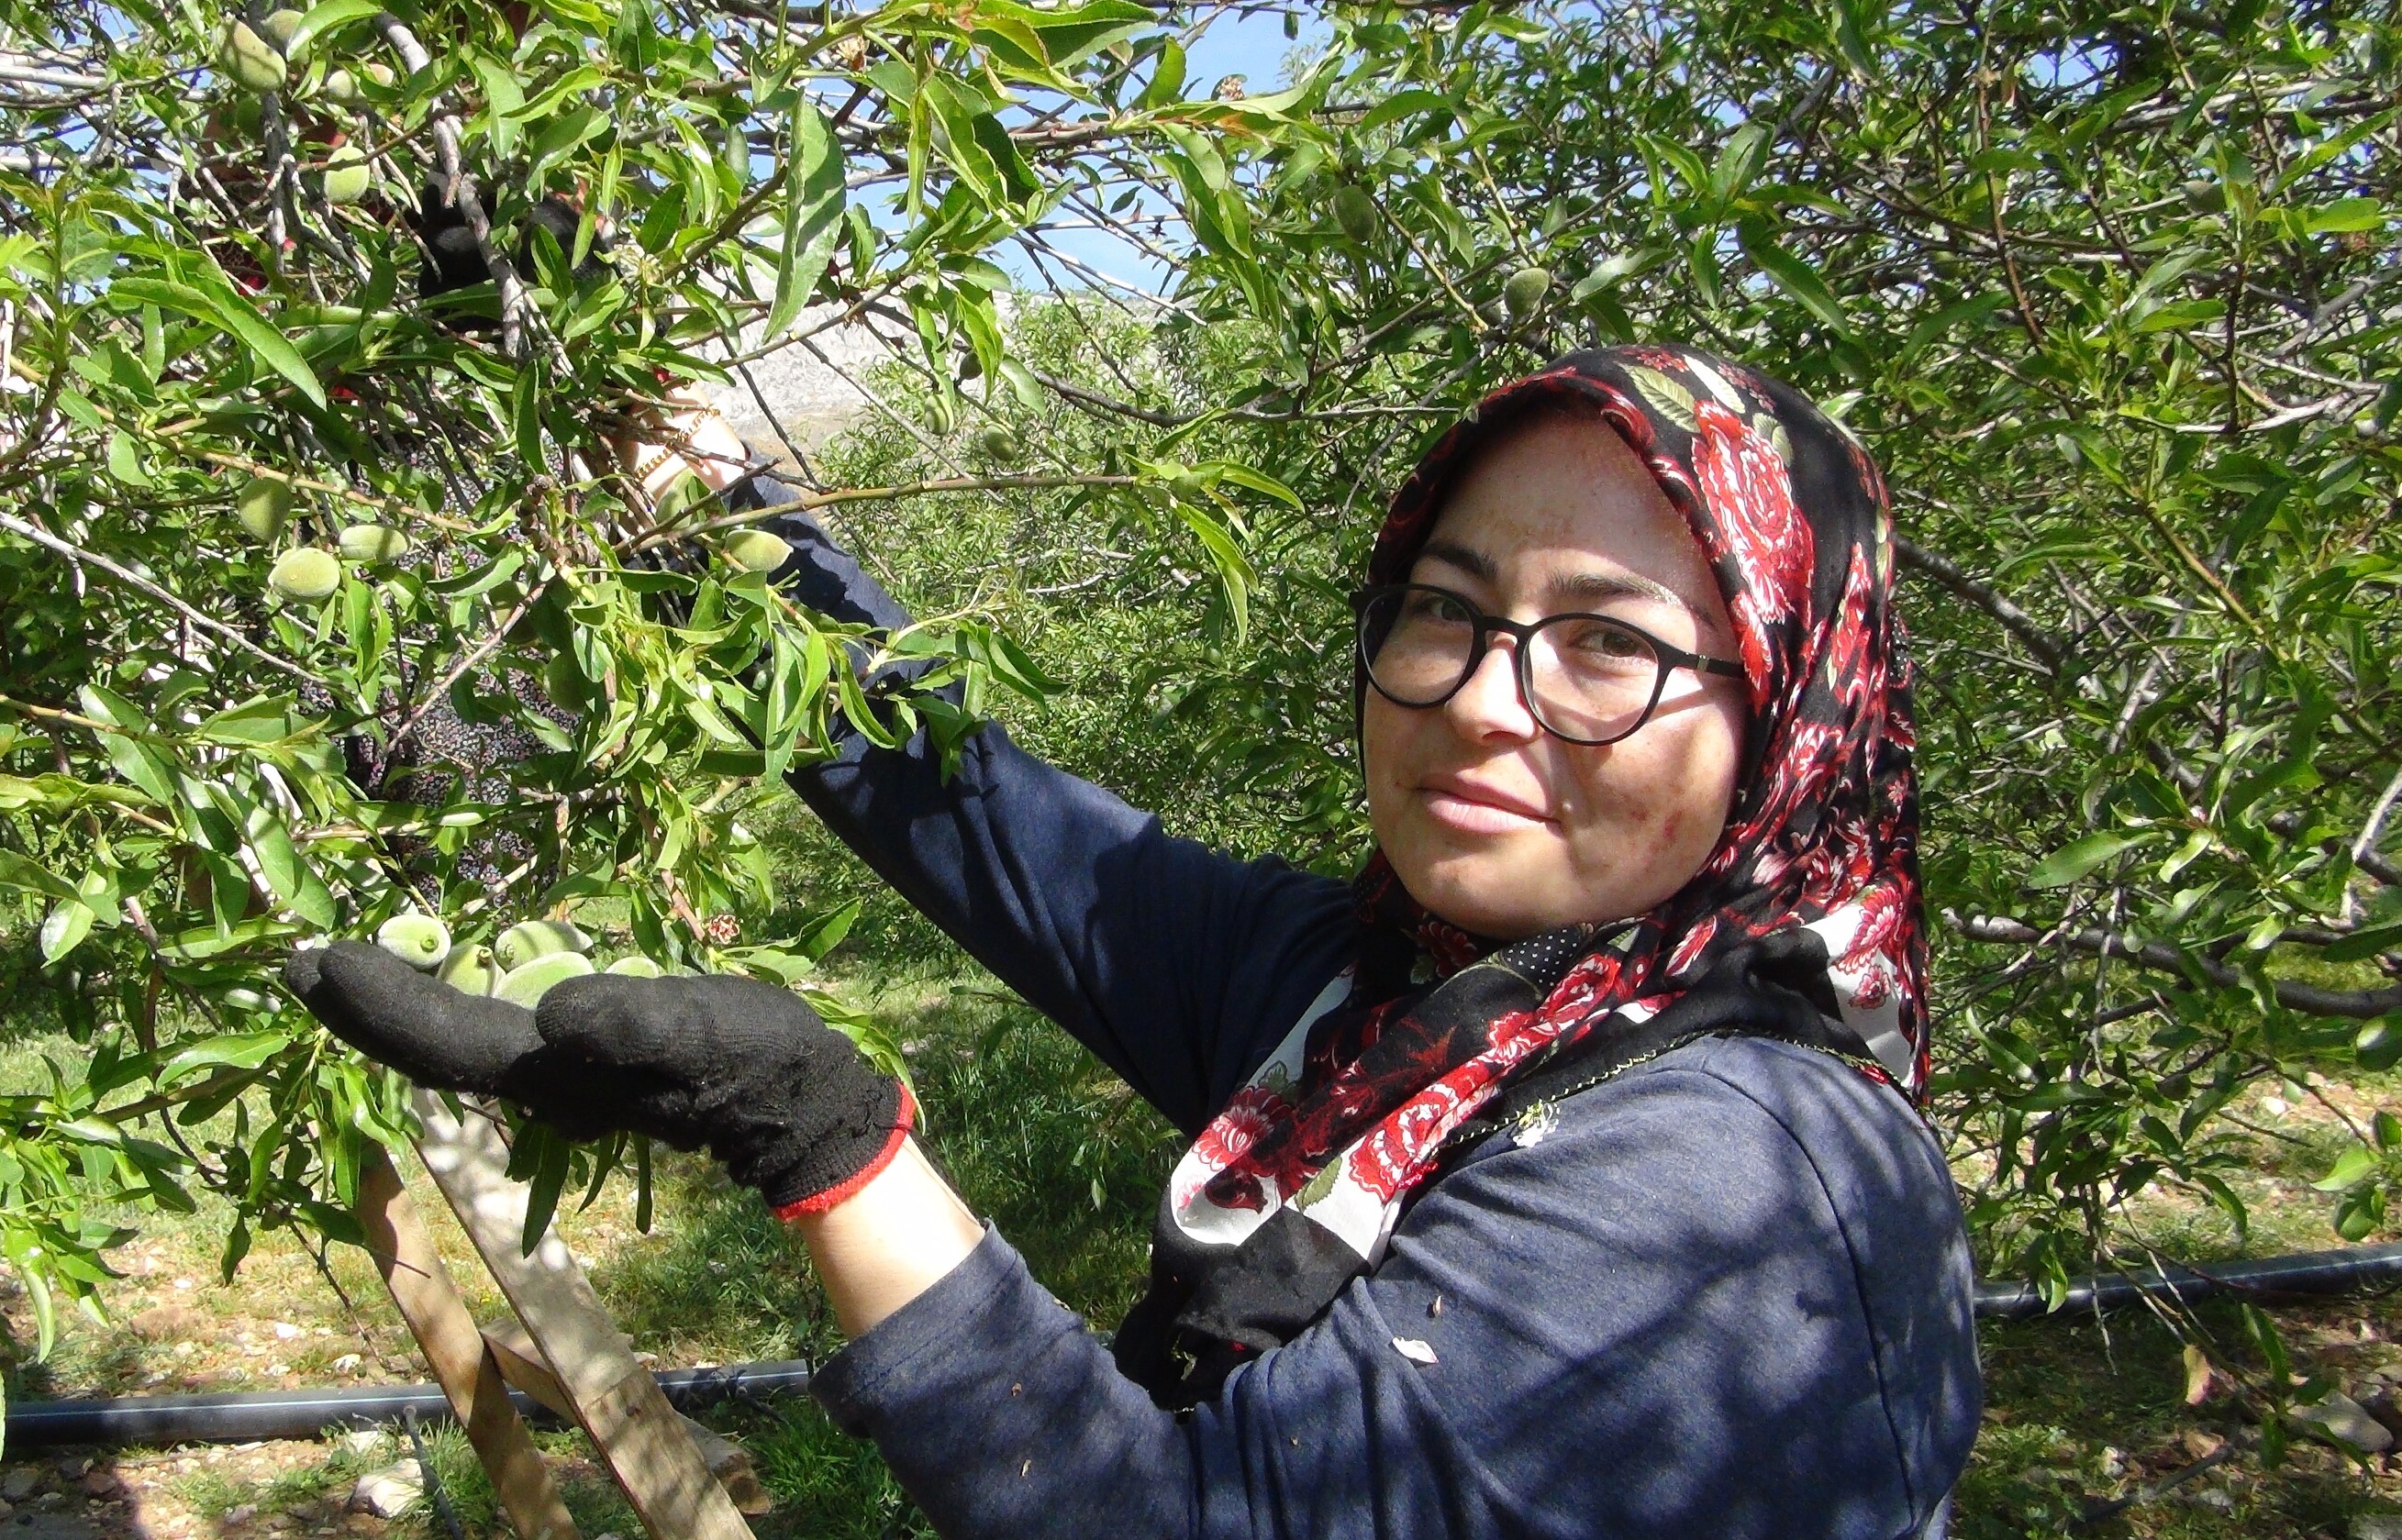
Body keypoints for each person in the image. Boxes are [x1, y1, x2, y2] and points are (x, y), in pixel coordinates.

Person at [284, 346, 1982, 1538]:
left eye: (1610, 644)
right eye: (1446, 609)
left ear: (1794, 715)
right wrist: (697, 490)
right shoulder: (1387, 1008)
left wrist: (828, 1143)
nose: (1482, 701)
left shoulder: (1743, 1174)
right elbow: (984, 815)